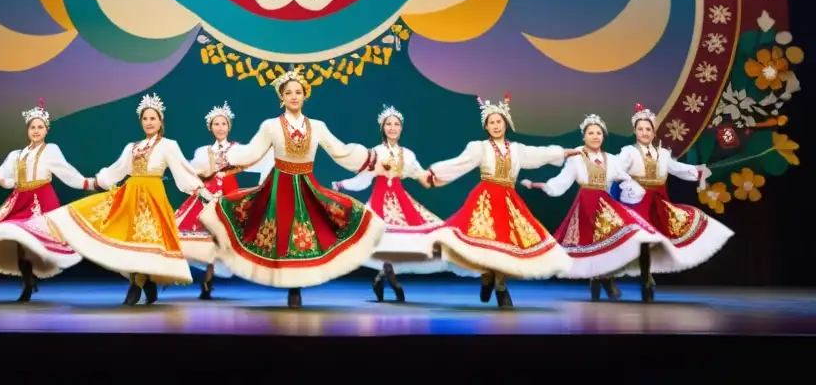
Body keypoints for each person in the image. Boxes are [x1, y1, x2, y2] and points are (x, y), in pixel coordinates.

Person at [198, 69, 383, 308]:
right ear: (281, 97)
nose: (294, 97)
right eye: (288, 93)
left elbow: (340, 150)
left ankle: (296, 287)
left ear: (305, 95)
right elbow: (252, 152)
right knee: (282, 235)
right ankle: (290, 286)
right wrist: (223, 162)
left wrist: (369, 157)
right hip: (279, 186)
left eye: (298, 92)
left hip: (306, 184)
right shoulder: (271, 126)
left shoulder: (317, 126)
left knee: (307, 235)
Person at [44, 93, 213, 305]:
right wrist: (96, 181)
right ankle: (139, 282)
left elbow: (183, 171)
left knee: (147, 241)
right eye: (145, 118)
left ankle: (141, 282)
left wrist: (200, 190)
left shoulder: (168, 145)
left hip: (153, 198)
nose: (149, 122)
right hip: (130, 196)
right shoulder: (132, 147)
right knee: (130, 241)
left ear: (161, 121)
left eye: (153, 118)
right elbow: (117, 170)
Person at [425, 93, 579, 307]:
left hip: (508, 199)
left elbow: (539, 154)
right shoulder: (479, 148)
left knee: (505, 242)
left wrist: (564, 153)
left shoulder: (517, 150)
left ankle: (497, 281)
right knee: (489, 242)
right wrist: (434, 173)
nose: (496, 126)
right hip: (486, 199)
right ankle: (494, 282)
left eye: (499, 121)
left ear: (506, 124)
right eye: (491, 123)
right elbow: (459, 163)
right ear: (486, 127)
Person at [0, 99, 95, 301]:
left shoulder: (50, 150)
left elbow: (67, 172)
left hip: (41, 199)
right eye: (32, 127)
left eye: (40, 127)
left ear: (46, 130)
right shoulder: (16, 155)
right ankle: (28, 280)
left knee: (32, 238)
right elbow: (7, 178)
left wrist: (88, 183)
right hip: (19, 199)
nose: (36, 131)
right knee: (15, 238)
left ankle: (31, 278)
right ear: (27, 130)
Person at [522, 113, 668, 301]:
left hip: (605, 205)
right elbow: (562, 181)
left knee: (626, 236)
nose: (595, 136)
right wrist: (538, 185)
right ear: (584, 136)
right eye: (590, 133)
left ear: (603, 137)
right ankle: (601, 278)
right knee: (593, 241)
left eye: (598, 133)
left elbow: (625, 178)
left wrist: (636, 189)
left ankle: (620, 278)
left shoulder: (612, 160)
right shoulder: (577, 158)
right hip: (586, 204)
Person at [614, 103, 733, 301]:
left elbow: (677, 168)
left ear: (653, 132)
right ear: (635, 131)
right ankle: (639, 277)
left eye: (648, 129)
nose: (645, 133)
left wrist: (697, 171)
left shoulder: (663, 154)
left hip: (658, 201)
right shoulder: (629, 152)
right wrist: (628, 183)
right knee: (641, 240)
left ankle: (645, 276)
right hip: (637, 201)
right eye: (641, 129)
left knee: (660, 237)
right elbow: (617, 170)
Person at [332, 105, 448, 302]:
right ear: (383, 128)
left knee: (405, 238)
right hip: (380, 199)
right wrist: (343, 184)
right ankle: (387, 275)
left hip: (400, 199)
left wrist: (436, 177)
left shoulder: (408, 154)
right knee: (381, 237)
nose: (392, 128)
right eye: (389, 124)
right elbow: (364, 179)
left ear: (401, 128)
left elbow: (419, 174)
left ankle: (382, 276)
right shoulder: (375, 152)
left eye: (396, 124)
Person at [175, 101, 274, 299]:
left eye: (224, 124)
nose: (220, 127)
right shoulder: (203, 151)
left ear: (229, 126)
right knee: (205, 235)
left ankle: (208, 280)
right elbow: (193, 171)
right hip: (207, 195)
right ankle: (205, 281)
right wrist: (205, 172)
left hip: (229, 196)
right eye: (216, 124)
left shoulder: (238, 149)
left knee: (223, 235)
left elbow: (259, 160)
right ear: (210, 127)